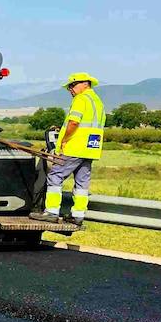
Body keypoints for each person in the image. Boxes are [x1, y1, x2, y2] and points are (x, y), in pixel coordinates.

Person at [32, 72, 105, 226]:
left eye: (72, 85)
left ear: (85, 84)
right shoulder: (98, 102)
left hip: (74, 147)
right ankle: (77, 215)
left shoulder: (81, 99)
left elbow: (73, 123)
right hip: (90, 149)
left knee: (55, 176)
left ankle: (51, 212)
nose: (70, 89)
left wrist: (64, 139)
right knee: (82, 183)